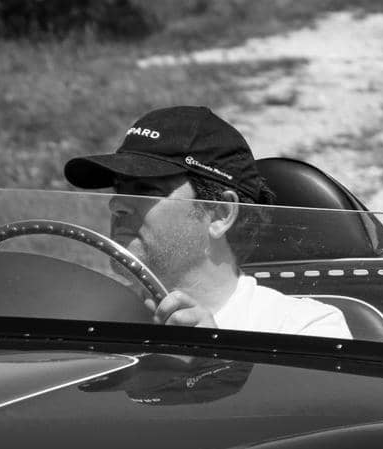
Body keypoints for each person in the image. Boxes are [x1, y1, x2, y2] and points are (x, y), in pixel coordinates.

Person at [64, 106, 350, 339]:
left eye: (146, 189)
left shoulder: (303, 329)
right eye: (119, 189)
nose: (117, 204)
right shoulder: (91, 319)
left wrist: (214, 364)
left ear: (220, 214)